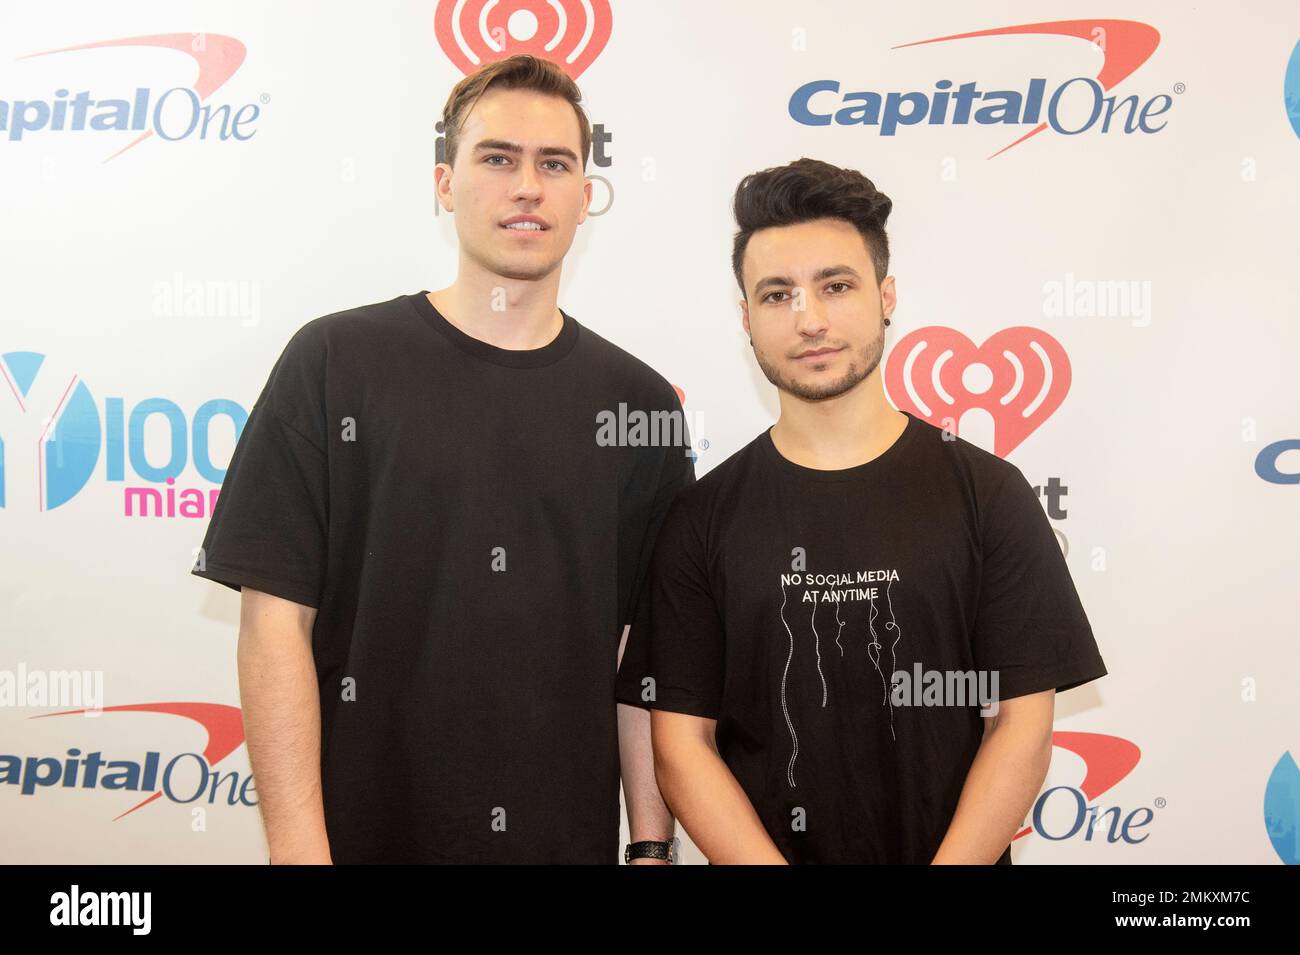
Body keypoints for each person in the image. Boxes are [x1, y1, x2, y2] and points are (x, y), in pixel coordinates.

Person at [192, 54, 691, 864]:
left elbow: (644, 657)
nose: (527, 185)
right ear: (444, 183)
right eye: (497, 158)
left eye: (554, 163)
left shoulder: (639, 406)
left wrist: (649, 844)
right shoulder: (334, 361)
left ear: (584, 196)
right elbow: (273, 624)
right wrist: (296, 846)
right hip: (359, 839)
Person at [615, 158, 1107, 864]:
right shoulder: (700, 519)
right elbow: (681, 744)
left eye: (835, 286)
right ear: (747, 318)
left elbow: (1022, 727)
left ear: (885, 295)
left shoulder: (989, 493)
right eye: (777, 294)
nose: (809, 318)